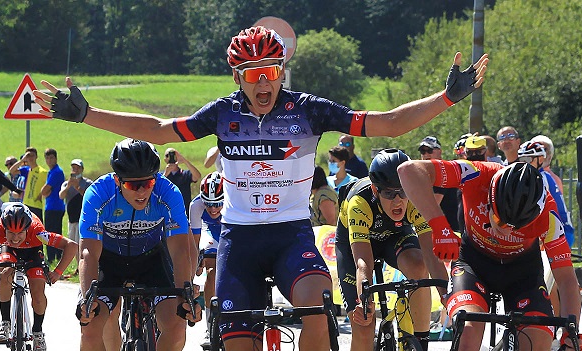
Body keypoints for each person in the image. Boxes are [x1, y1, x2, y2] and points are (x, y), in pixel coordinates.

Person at [35, 25, 487, 351]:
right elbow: (157, 129)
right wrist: (86, 113)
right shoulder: (221, 114)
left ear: (282, 70)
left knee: (315, 305)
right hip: (239, 238)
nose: (264, 82)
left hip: (291, 234)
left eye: (271, 71)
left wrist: (445, 98)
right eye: (253, 75)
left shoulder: (309, 110)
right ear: (238, 78)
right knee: (236, 336)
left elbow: (385, 124)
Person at [398, 160, 582, 351]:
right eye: (500, 221)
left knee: (538, 341)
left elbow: (566, 280)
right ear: (490, 196)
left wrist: (571, 334)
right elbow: (408, 170)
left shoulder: (548, 214)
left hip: (523, 275)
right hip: (474, 266)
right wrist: (439, 226)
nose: (505, 232)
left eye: (516, 227)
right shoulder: (477, 174)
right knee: (468, 332)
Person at [74, 139, 199, 351]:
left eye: (148, 183)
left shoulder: (168, 192)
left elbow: (180, 250)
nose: (141, 192)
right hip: (109, 260)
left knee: (177, 325)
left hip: (152, 259)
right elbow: (88, 253)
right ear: (117, 180)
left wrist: (185, 293)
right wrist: (88, 298)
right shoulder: (98, 194)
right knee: (90, 327)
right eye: (133, 185)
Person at [337, 149, 449, 351]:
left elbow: (432, 254)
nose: (397, 200)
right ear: (375, 190)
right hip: (355, 244)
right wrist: (365, 301)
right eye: (389, 193)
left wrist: (446, 295)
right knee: (363, 325)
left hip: (394, 235)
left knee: (419, 266)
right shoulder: (359, 203)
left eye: (403, 192)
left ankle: (421, 343)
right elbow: (363, 261)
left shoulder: (417, 198)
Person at [0, 202, 78, 351]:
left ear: (27, 228)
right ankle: (5, 322)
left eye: (20, 233)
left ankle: (38, 332)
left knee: (38, 292)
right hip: (7, 249)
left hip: (33, 250)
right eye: (11, 233)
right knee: (5, 272)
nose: (15, 238)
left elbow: (71, 245)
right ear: (4, 228)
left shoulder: (38, 232)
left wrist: (58, 272)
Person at [517, 140, 575, 247]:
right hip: (558, 229)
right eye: (521, 159)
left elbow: (540, 209)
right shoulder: (541, 175)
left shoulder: (540, 178)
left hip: (559, 232)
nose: (524, 163)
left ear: (540, 159)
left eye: (528, 159)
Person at [190, 172, 225, 348]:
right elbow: (195, 241)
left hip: (229, 229)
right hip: (209, 232)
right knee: (211, 272)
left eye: (218, 203)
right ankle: (211, 326)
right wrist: (197, 263)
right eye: (209, 204)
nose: (213, 209)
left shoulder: (235, 202)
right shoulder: (196, 205)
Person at [418, 136, 462, 232]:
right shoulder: (430, 172)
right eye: (423, 151)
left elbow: (432, 205)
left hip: (452, 230)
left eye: (429, 150)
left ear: (440, 151)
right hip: (445, 228)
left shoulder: (442, 170)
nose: (426, 154)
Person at [59, 158, 92, 269]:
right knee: (72, 244)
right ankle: (78, 267)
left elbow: (89, 197)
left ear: (82, 169)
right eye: (73, 167)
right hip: (71, 218)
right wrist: (69, 185)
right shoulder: (66, 183)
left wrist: (78, 187)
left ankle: (82, 267)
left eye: (77, 168)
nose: (75, 170)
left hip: (82, 218)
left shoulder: (87, 183)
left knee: (80, 244)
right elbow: (61, 196)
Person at [41, 148, 67, 263]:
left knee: (52, 233)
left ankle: (53, 257)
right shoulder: (51, 172)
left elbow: (44, 191)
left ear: (56, 158)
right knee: (51, 232)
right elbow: (45, 192)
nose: (49, 160)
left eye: (51, 157)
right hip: (51, 206)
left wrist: (46, 191)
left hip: (55, 207)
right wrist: (46, 191)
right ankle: (54, 256)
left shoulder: (57, 172)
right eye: (47, 158)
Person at [9, 147, 49, 220]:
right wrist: (22, 160)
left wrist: (41, 194)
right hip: (26, 204)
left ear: (36, 157)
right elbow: (12, 171)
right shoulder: (26, 170)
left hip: (36, 205)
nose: (30, 158)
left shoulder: (42, 172)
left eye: (32, 155)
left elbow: (48, 185)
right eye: (28, 156)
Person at [163, 147, 202, 212]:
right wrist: (166, 173)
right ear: (165, 159)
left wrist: (184, 160)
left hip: (184, 210)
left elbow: (197, 176)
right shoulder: (163, 176)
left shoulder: (185, 174)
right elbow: (156, 186)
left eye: (173, 155)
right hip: (168, 211)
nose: (170, 157)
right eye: (167, 155)